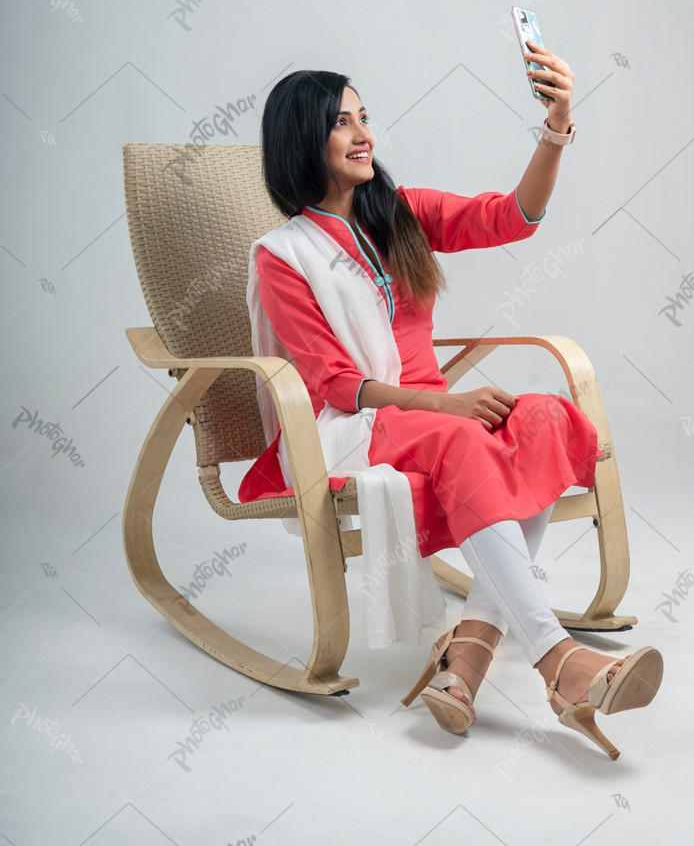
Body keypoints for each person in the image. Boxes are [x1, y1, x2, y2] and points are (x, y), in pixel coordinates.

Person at [239, 48, 663, 759]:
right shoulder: (282, 254)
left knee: (545, 418)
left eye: (364, 117)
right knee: (469, 439)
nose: (363, 133)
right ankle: (558, 662)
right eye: (340, 123)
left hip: (425, 414)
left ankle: (465, 653)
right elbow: (332, 381)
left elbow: (512, 216)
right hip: (348, 426)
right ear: (299, 142)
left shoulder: (397, 215)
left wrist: (554, 131)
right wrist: (442, 408)